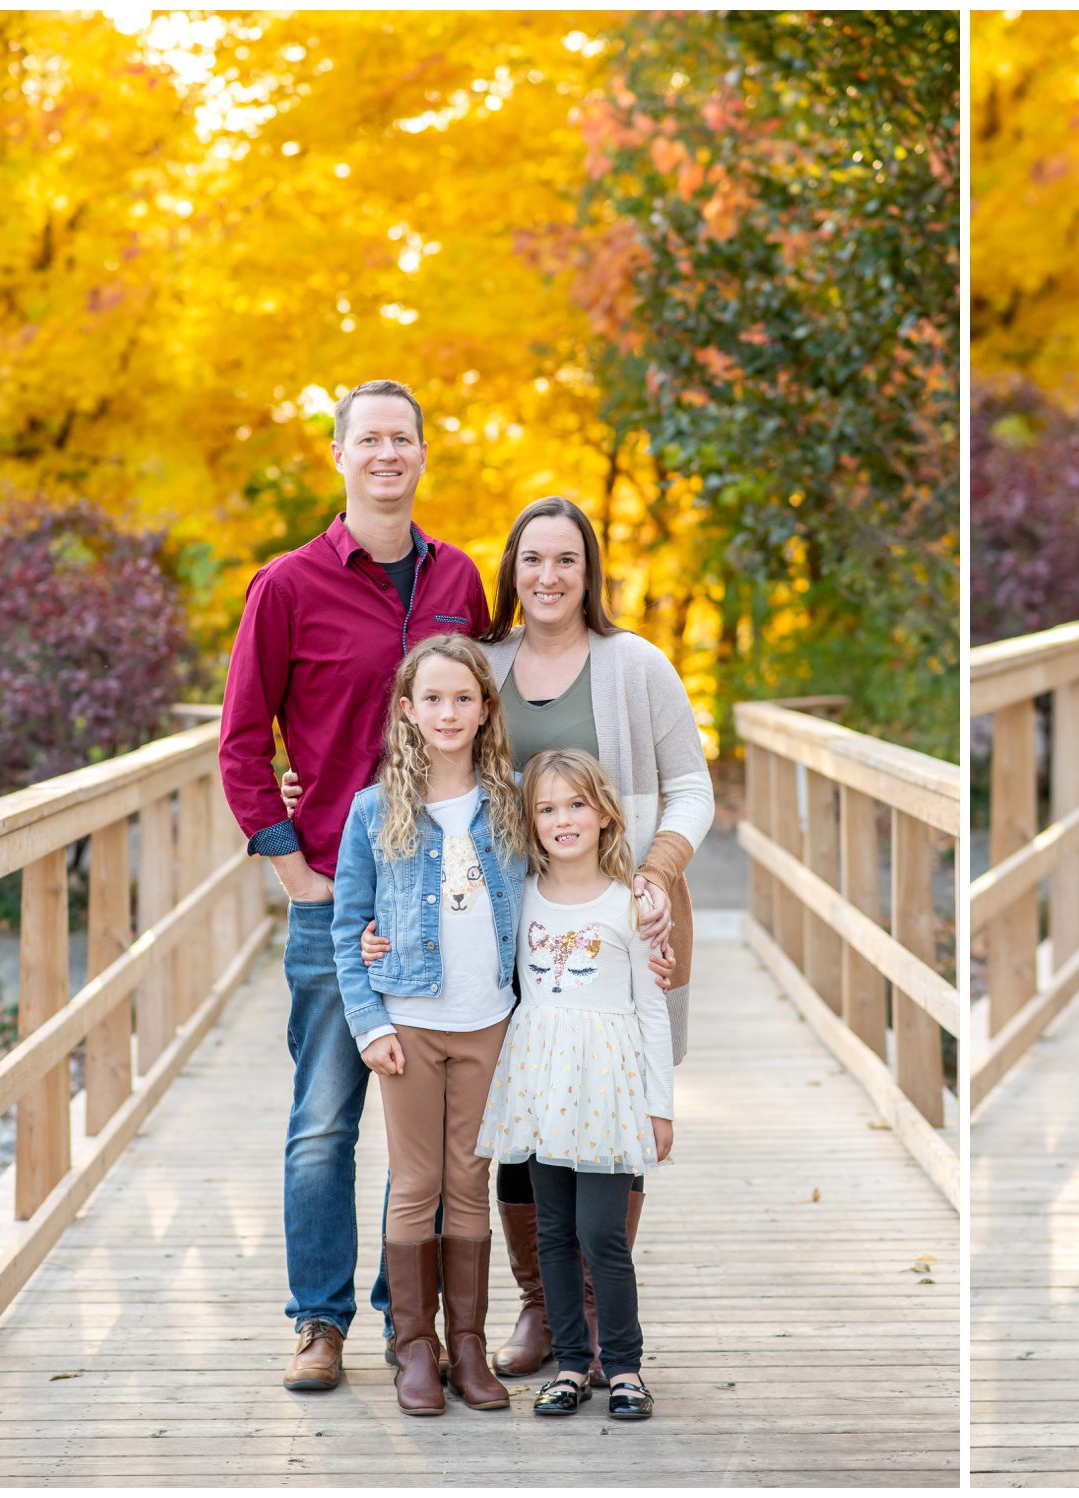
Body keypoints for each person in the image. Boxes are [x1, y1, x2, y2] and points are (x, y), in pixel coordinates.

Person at [292, 494, 712, 1383]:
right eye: (532, 560)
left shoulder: (635, 666)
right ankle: (541, 1307)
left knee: (608, 1100)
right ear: (510, 573)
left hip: (618, 922)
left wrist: (654, 878)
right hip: (507, 939)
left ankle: (596, 1316)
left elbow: (691, 788)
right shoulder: (486, 666)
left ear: (589, 571)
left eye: (567, 560)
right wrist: (375, 912)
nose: (549, 576)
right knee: (524, 1118)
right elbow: (423, 764)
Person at [218, 379, 489, 1391]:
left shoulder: (460, 575)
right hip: (341, 898)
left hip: (453, 902)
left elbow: (488, 716)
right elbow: (242, 742)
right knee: (326, 1118)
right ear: (338, 456)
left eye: (402, 438)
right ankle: (318, 1320)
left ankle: (403, 1320)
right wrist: (295, 870)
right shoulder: (284, 586)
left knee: (430, 1134)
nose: (387, 453)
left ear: (422, 454)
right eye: (367, 438)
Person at [332, 634, 527, 1415]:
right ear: (407, 712)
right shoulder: (375, 811)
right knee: (415, 1184)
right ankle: (416, 1348)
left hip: (489, 1022)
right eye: (433, 699)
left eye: (464, 699)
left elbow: (549, 894)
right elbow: (350, 927)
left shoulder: (512, 799)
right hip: (409, 1023)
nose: (449, 712)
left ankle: (469, 1346)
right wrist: (368, 1021)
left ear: (485, 710)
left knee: (469, 1180)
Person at [476, 748, 675, 1420]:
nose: (563, 819)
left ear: (604, 814)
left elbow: (651, 1010)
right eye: (547, 808)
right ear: (529, 822)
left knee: (602, 1234)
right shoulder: (521, 894)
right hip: (539, 1082)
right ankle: (568, 1364)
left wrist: (659, 1106)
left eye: (577, 805)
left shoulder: (633, 904)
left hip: (606, 1090)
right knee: (553, 1232)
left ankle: (621, 1366)